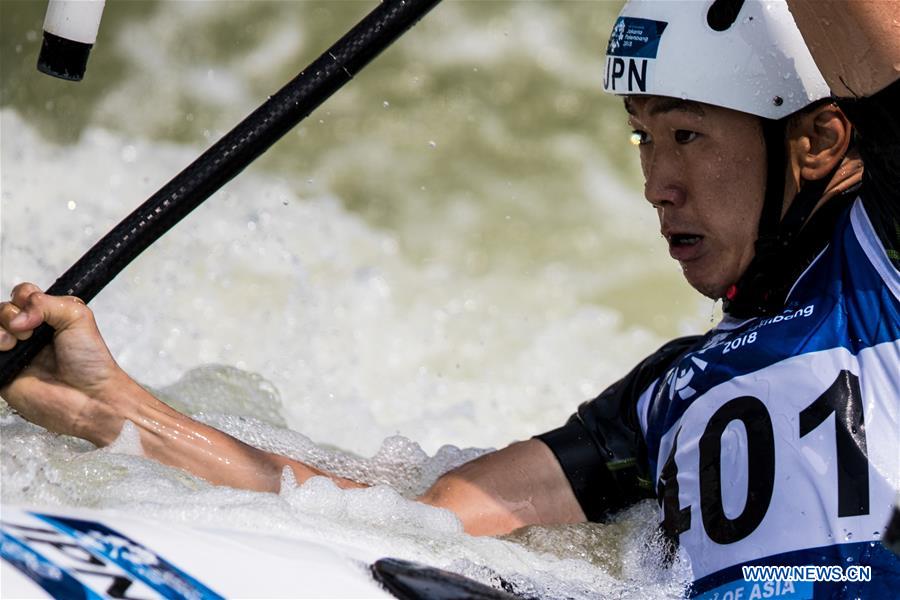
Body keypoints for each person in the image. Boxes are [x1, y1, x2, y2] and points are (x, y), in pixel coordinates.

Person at [1, 0, 898, 597]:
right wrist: (100, 401)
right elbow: (407, 520)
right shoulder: (671, 397)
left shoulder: (884, 252)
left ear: (818, 139)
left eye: (690, 134)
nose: (659, 183)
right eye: (642, 140)